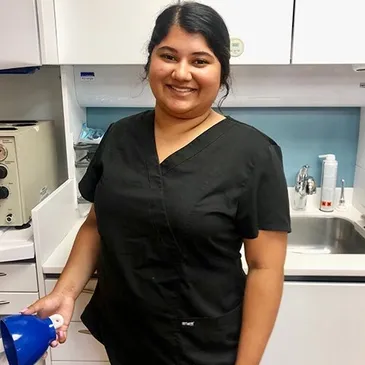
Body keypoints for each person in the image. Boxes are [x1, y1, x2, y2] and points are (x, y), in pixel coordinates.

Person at [23, 2, 290, 364]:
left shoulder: (254, 153)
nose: (181, 73)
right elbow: (96, 225)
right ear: (150, 61)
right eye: (168, 56)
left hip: (203, 346)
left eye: (200, 60)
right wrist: (66, 291)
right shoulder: (120, 136)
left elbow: (266, 269)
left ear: (222, 70)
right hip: (125, 336)